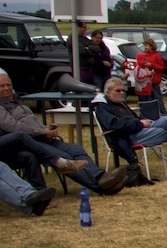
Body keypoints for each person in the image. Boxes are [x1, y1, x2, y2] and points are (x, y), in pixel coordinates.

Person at [0, 73, 128, 195]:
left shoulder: (17, 100)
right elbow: (13, 127)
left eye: (8, 85)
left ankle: (100, 176)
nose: (6, 88)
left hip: (41, 136)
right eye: (2, 86)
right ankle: (101, 188)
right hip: (29, 142)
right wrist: (42, 132)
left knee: (76, 149)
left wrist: (46, 129)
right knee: (64, 157)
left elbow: (30, 121)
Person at [94, 78, 167, 180]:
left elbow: (134, 118)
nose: (122, 93)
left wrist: (142, 121)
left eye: (123, 90)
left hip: (139, 129)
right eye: (118, 91)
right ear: (108, 92)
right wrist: (140, 124)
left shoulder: (120, 104)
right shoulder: (103, 106)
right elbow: (115, 124)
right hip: (128, 137)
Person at [134, 37, 167, 119]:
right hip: (146, 81)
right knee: (148, 99)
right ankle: (151, 114)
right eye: (144, 45)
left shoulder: (157, 56)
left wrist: (152, 65)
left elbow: (162, 68)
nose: (145, 47)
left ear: (151, 46)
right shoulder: (144, 55)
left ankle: (163, 113)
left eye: (147, 45)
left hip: (154, 80)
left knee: (157, 98)